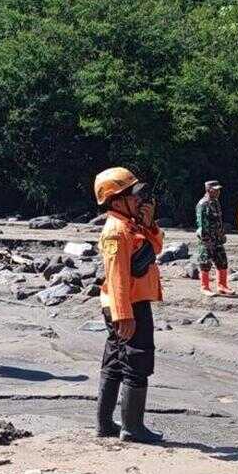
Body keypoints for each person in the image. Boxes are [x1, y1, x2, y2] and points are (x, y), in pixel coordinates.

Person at [93, 167, 165, 443]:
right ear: (116, 200)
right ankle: (133, 428)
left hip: (129, 302)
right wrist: (124, 315)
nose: (139, 200)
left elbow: (154, 249)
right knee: (137, 361)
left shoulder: (131, 225)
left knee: (115, 361)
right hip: (128, 305)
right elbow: (117, 275)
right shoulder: (116, 231)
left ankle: (105, 424)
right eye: (133, 196)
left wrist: (149, 225)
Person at [195, 180, 234, 296]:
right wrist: (206, 240)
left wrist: (222, 235)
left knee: (222, 261)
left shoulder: (215, 202)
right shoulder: (203, 204)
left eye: (218, 190)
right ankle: (204, 287)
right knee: (205, 262)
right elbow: (202, 224)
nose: (218, 192)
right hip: (206, 239)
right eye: (215, 190)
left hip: (217, 238)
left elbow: (219, 221)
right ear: (208, 190)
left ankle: (222, 286)